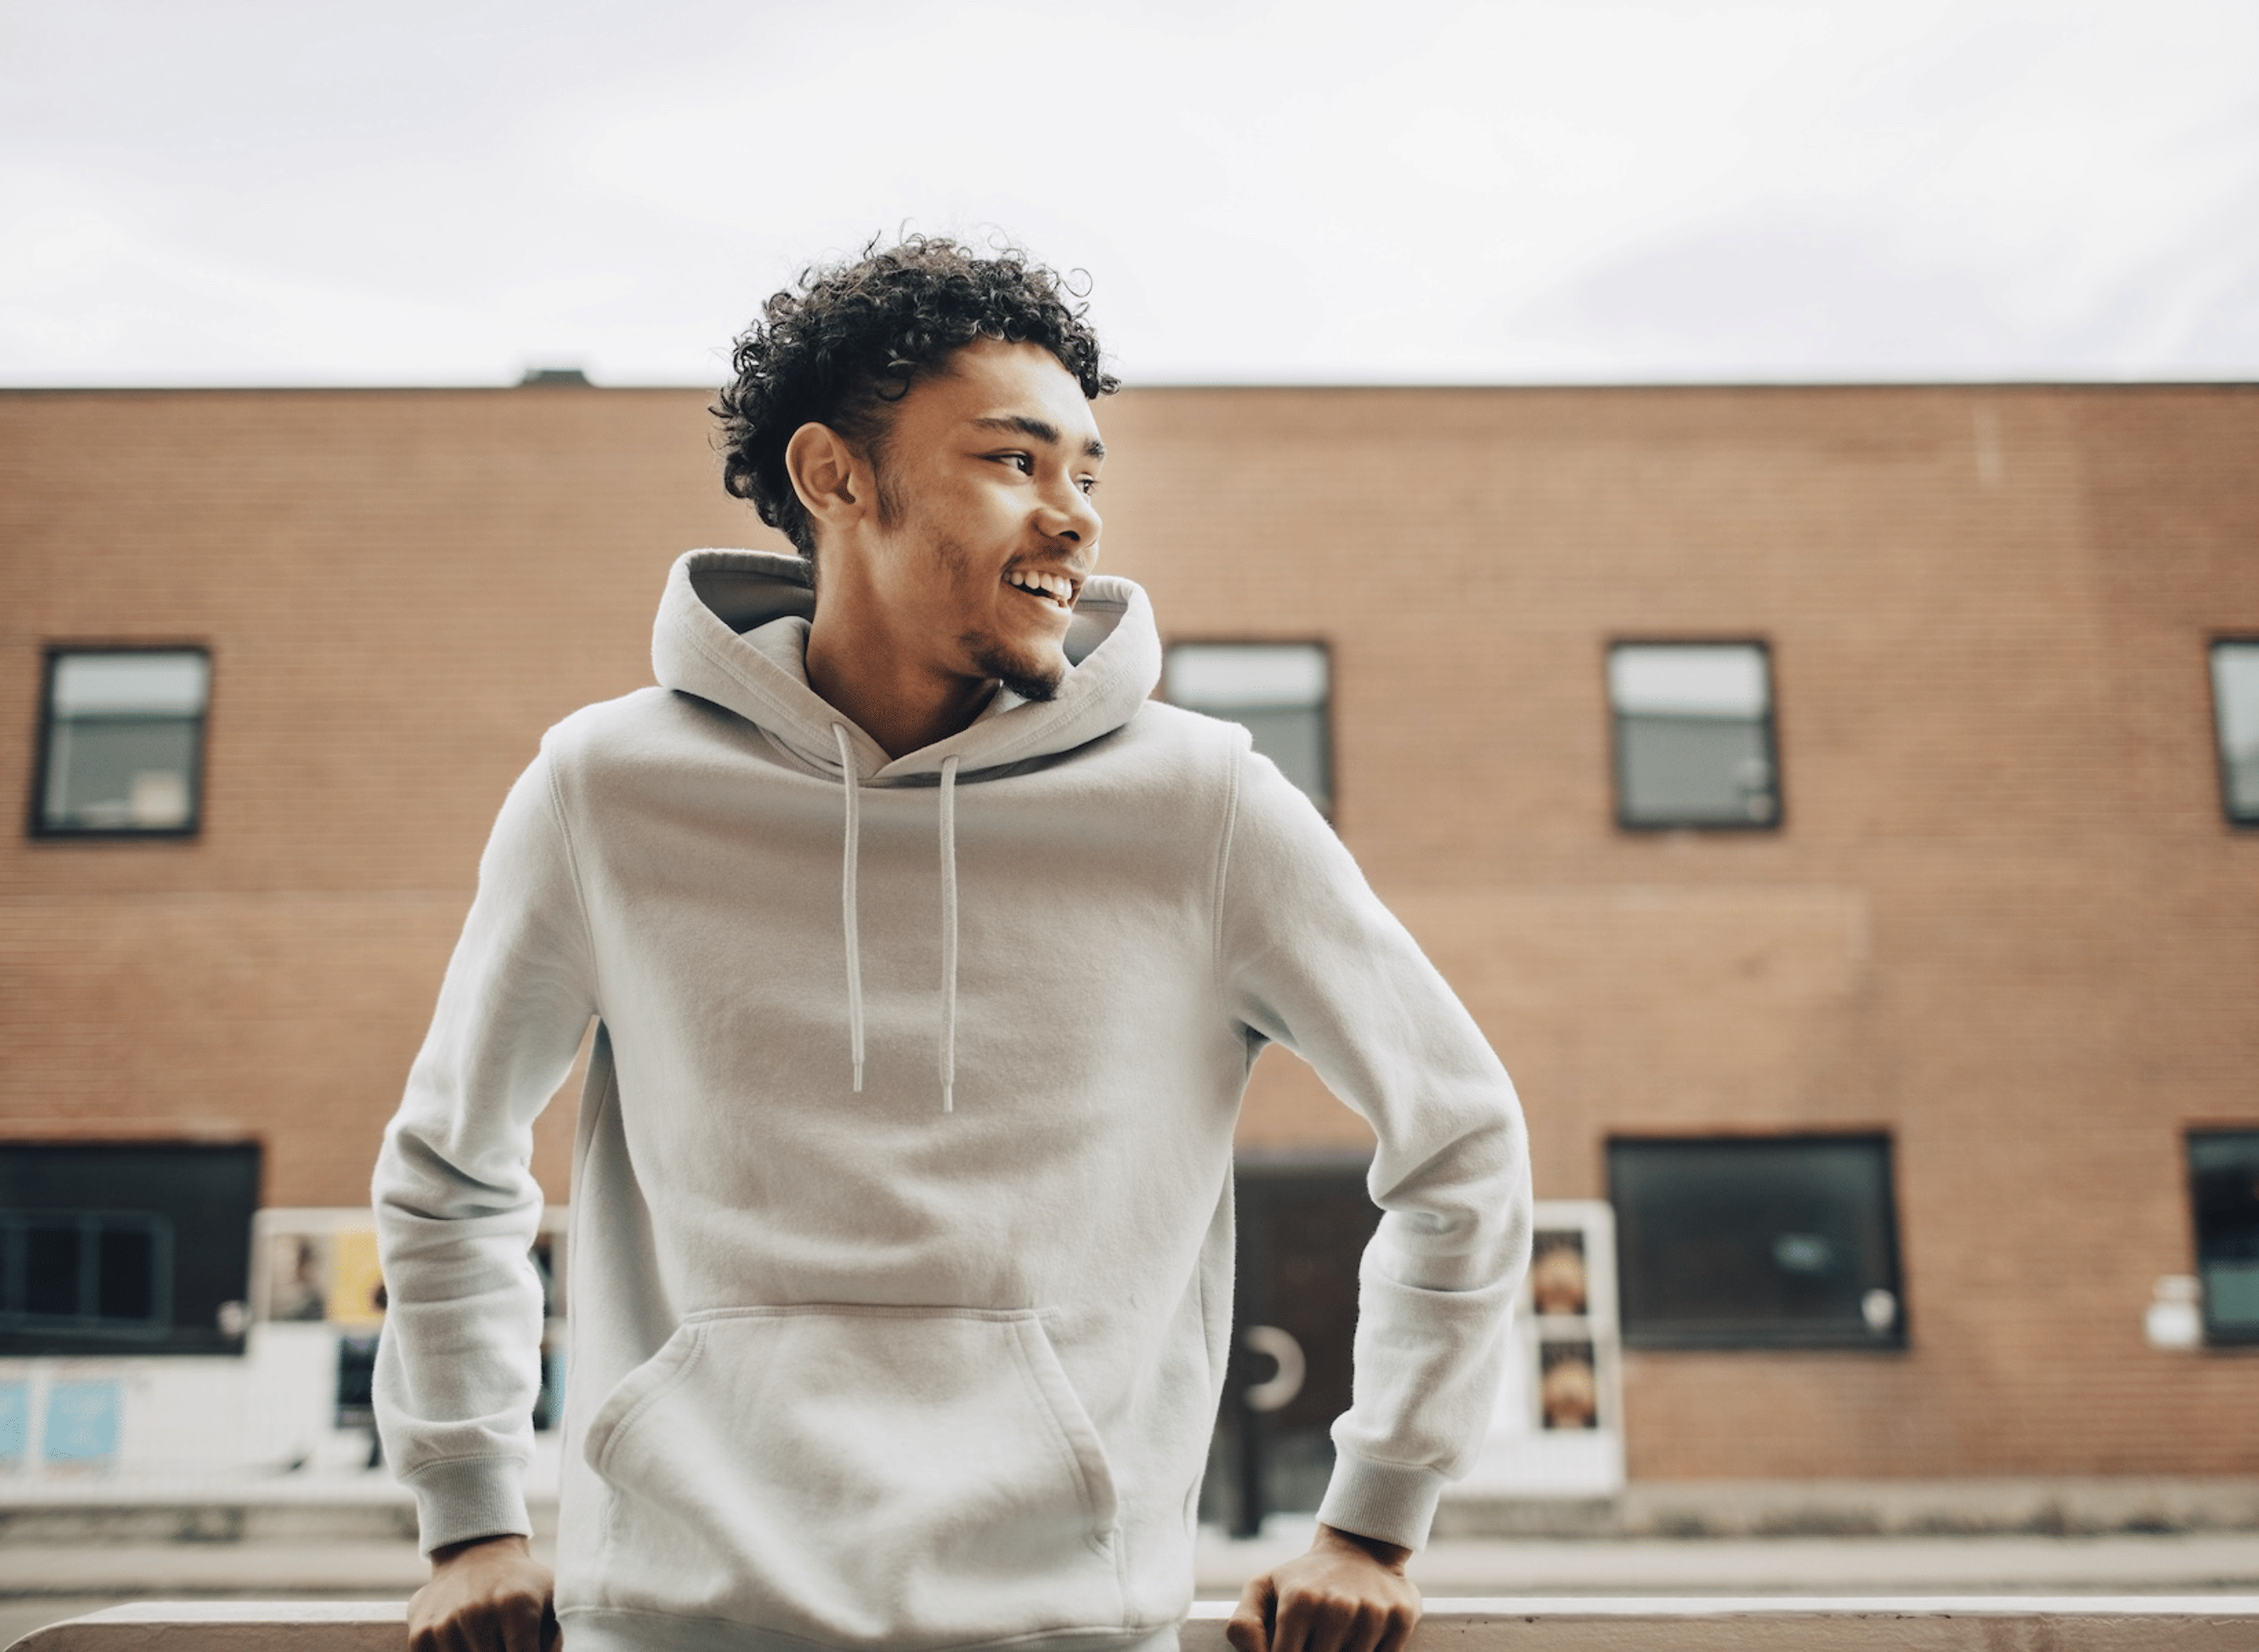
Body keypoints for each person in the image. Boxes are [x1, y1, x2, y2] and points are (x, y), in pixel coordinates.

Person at [374, 236, 1530, 1652]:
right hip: (678, 1622)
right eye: (1014, 462)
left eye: (1087, 475)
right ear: (834, 475)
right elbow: (449, 1167)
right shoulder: (605, 788)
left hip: (1061, 1625)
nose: (1075, 516)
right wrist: (472, 1515)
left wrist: (1375, 1516)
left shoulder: (1203, 803)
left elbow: (1461, 1136)